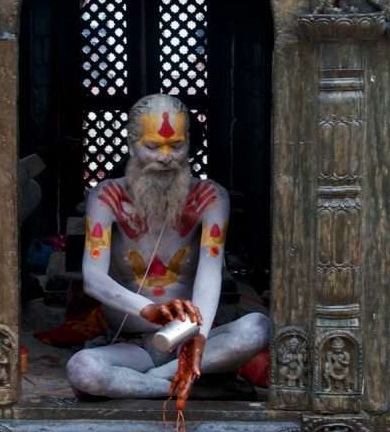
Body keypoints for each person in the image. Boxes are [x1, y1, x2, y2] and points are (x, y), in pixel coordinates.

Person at [67, 93, 269, 404]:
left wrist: (199, 338)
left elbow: (210, 273)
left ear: (189, 143)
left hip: (188, 341)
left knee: (257, 327)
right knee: (83, 370)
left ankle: (155, 381)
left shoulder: (210, 197)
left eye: (176, 146)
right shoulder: (107, 197)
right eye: (153, 147)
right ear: (133, 145)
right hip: (131, 347)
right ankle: (181, 386)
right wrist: (146, 309)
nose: (165, 157)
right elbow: (94, 279)